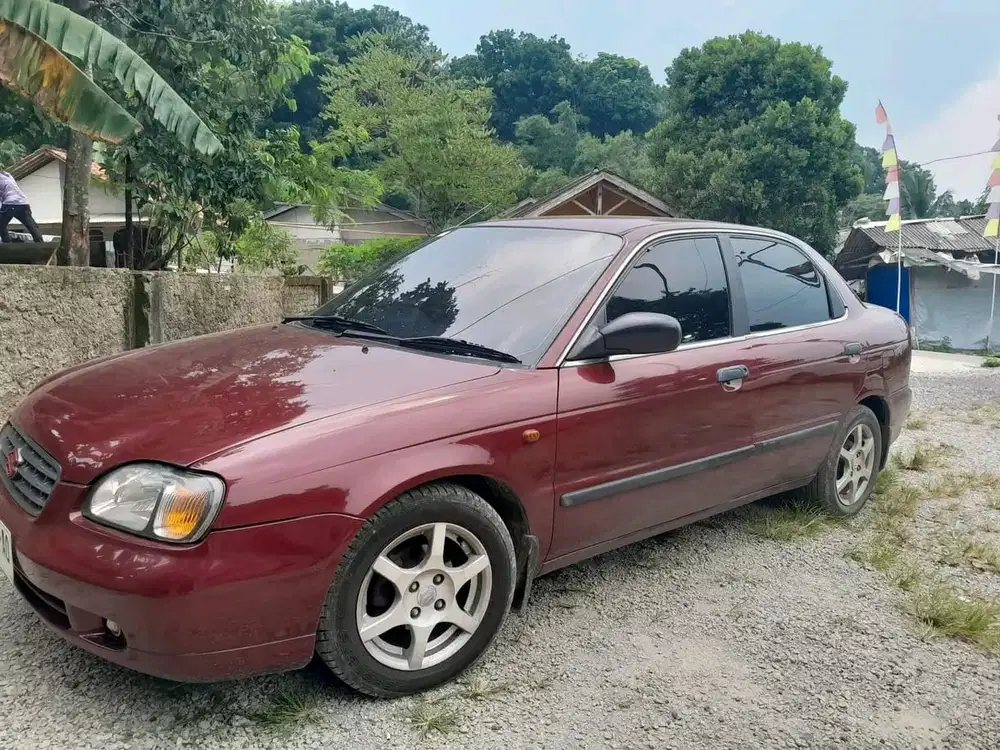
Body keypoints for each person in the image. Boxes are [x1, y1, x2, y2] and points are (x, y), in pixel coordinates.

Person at [0, 169, 43, 242]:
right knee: (31, 226)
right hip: (24, 202)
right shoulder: (7, 175)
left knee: (1, 225)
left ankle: (7, 245)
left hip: (10, 203)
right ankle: (41, 244)